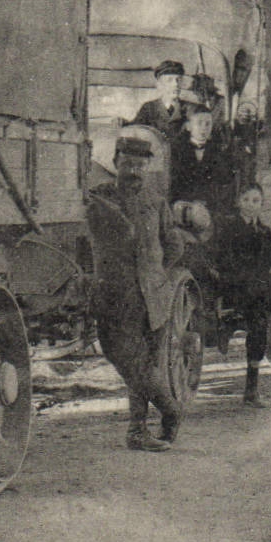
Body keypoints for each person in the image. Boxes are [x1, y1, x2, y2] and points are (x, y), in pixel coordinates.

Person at [86, 134, 190, 451]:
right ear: (115, 163)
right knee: (129, 359)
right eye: (128, 164)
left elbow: (174, 244)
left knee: (144, 363)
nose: (133, 171)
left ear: (148, 168)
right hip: (116, 296)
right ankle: (171, 411)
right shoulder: (100, 199)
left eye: (140, 166)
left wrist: (154, 272)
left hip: (153, 296)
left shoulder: (156, 201)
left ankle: (137, 430)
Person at [217, 183, 271, 406]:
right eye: (246, 200)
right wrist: (240, 279)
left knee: (259, 329)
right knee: (242, 309)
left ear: (261, 204)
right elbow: (224, 258)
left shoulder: (265, 231)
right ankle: (227, 327)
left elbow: (268, 262)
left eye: (255, 201)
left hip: (255, 288)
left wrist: (257, 283)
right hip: (233, 285)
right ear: (238, 203)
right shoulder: (228, 229)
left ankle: (251, 390)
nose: (250, 205)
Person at [170, 98, 238, 215]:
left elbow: (224, 182)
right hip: (183, 207)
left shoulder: (218, 151)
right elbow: (174, 184)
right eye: (199, 123)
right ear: (188, 126)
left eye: (208, 123)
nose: (204, 128)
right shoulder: (176, 151)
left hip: (210, 208)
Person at [129, 60, 188, 134]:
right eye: (169, 80)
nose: (175, 84)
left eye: (178, 80)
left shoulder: (190, 109)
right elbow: (135, 129)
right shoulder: (148, 108)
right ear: (159, 84)